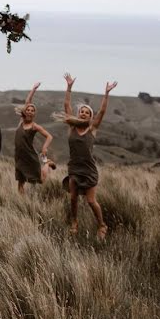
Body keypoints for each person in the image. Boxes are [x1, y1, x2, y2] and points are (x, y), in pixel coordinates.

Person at [55, 73, 117, 239]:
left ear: (90, 117)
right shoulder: (71, 127)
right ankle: (74, 222)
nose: (83, 114)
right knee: (73, 198)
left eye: (86, 112)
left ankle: (102, 225)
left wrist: (107, 93)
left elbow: (102, 111)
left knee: (91, 201)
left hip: (89, 169)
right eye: (81, 112)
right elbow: (67, 105)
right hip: (74, 168)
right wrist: (69, 87)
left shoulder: (92, 129)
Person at [13, 82, 54, 194]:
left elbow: (49, 136)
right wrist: (33, 89)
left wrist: (44, 148)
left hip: (30, 156)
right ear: (25, 112)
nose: (30, 111)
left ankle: (47, 164)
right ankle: (21, 203)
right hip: (19, 156)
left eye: (32, 110)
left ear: (34, 114)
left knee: (40, 180)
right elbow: (27, 102)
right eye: (28, 110)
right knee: (20, 181)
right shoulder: (21, 121)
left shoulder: (34, 126)